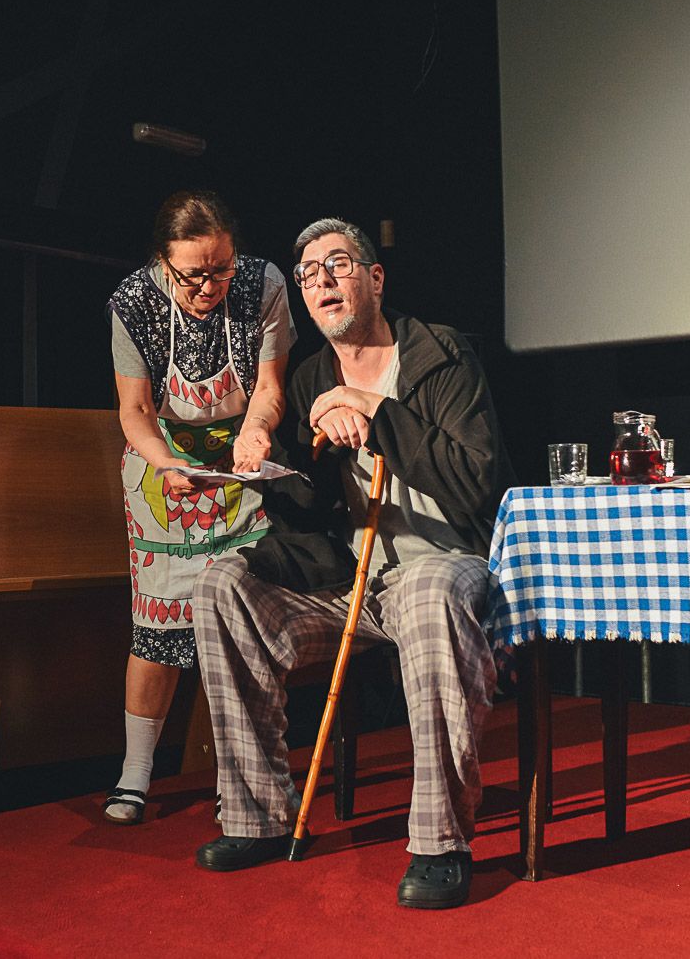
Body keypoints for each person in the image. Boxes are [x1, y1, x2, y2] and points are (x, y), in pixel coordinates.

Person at [191, 217, 513, 909]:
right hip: (351, 580)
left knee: (428, 591)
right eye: (308, 274)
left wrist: (376, 415)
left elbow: (478, 481)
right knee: (224, 585)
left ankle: (439, 842)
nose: (322, 281)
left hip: (444, 564)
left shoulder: (442, 357)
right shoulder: (311, 377)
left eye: (337, 265)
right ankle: (256, 816)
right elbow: (309, 512)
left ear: (375, 278)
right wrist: (274, 471)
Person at [103, 189, 295, 825]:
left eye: (221, 269)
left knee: (238, 622)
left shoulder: (263, 284)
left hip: (240, 462)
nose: (209, 286)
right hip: (165, 466)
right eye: (193, 275)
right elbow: (134, 409)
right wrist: (166, 463)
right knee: (158, 629)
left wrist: (256, 432)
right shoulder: (134, 301)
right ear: (164, 261)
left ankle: (236, 772)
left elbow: (269, 386)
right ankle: (136, 773)